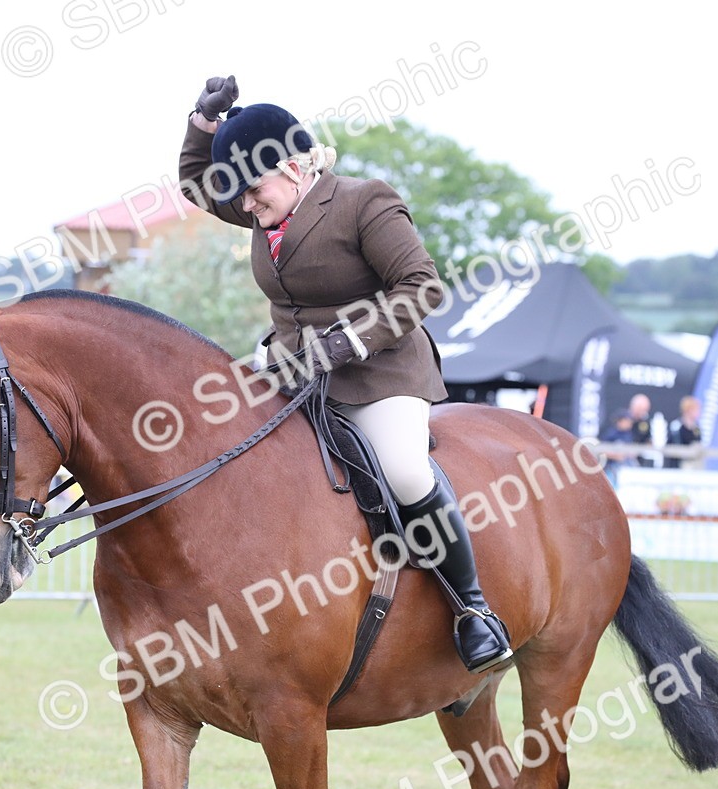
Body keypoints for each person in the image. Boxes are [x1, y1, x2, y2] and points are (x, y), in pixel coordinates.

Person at [178, 76, 511, 673]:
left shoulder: (364, 202)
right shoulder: (265, 208)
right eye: (243, 197)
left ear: (290, 168)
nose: (246, 206)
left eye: (253, 192)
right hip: (292, 372)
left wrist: (344, 342)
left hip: (380, 373)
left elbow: (422, 287)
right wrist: (203, 124)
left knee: (404, 471)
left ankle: (473, 610)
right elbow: (195, 183)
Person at [665, 395, 703, 469]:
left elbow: (698, 443)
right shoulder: (676, 426)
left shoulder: (696, 428)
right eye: (696, 410)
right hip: (677, 465)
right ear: (689, 410)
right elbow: (672, 445)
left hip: (693, 465)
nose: (699, 412)